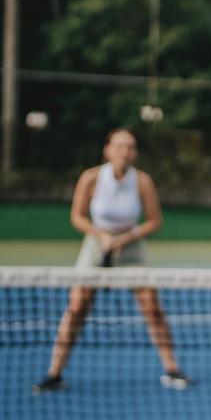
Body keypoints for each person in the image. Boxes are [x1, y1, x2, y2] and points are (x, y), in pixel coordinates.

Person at [33, 128, 189, 394]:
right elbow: (77, 216)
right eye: (119, 146)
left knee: (152, 307)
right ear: (107, 150)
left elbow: (154, 220)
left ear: (135, 153)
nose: (124, 151)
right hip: (96, 244)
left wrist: (126, 238)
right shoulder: (91, 178)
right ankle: (55, 372)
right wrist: (102, 237)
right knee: (77, 306)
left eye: (130, 147)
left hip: (131, 245)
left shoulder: (143, 181)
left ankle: (172, 369)